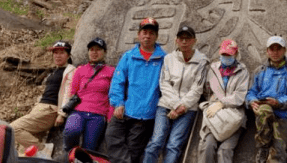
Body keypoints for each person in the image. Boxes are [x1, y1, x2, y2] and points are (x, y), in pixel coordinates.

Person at [143, 26, 209, 163]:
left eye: (188, 38)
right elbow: (164, 84)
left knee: (174, 145)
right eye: (181, 38)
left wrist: (181, 107)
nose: (184, 41)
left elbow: (197, 88)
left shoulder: (202, 61)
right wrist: (176, 105)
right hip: (165, 105)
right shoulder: (168, 59)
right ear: (176, 40)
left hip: (188, 109)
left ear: (194, 41)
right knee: (156, 142)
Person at [106, 17, 167, 163]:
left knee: (134, 150)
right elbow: (117, 81)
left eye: (151, 33)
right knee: (111, 136)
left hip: (145, 116)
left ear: (156, 36)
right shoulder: (128, 56)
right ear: (139, 35)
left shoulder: (164, 59)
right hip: (125, 109)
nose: (147, 36)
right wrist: (118, 102)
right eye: (144, 32)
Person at [245, 36, 287, 163]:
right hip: (263, 110)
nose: (275, 52)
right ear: (267, 51)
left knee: (279, 155)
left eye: (279, 49)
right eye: (272, 49)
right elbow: (251, 92)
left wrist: (278, 103)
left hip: (282, 115)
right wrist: (252, 102)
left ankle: (272, 152)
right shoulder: (259, 71)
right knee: (264, 110)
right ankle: (263, 146)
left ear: (284, 50)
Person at [11, 40, 76, 150]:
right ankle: (38, 156)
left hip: (50, 109)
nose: (57, 56)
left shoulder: (70, 70)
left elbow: (68, 92)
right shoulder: (55, 71)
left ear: (68, 55)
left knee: (13, 128)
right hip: (40, 107)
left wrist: (61, 114)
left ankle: (43, 151)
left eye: (61, 53)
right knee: (25, 147)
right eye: (55, 53)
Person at [197, 39, 250, 163]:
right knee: (207, 146)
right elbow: (206, 90)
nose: (226, 57)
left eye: (229, 55)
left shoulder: (243, 72)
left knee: (224, 150)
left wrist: (222, 103)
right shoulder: (212, 69)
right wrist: (211, 99)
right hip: (214, 115)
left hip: (234, 117)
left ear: (236, 55)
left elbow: (240, 96)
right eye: (223, 54)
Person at [63, 37, 115, 152]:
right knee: (71, 131)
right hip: (78, 111)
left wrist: (109, 116)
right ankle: (69, 155)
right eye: (91, 50)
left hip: (98, 114)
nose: (94, 52)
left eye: (98, 50)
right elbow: (73, 92)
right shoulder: (80, 70)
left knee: (90, 148)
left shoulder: (111, 71)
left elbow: (113, 95)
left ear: (104, 52)